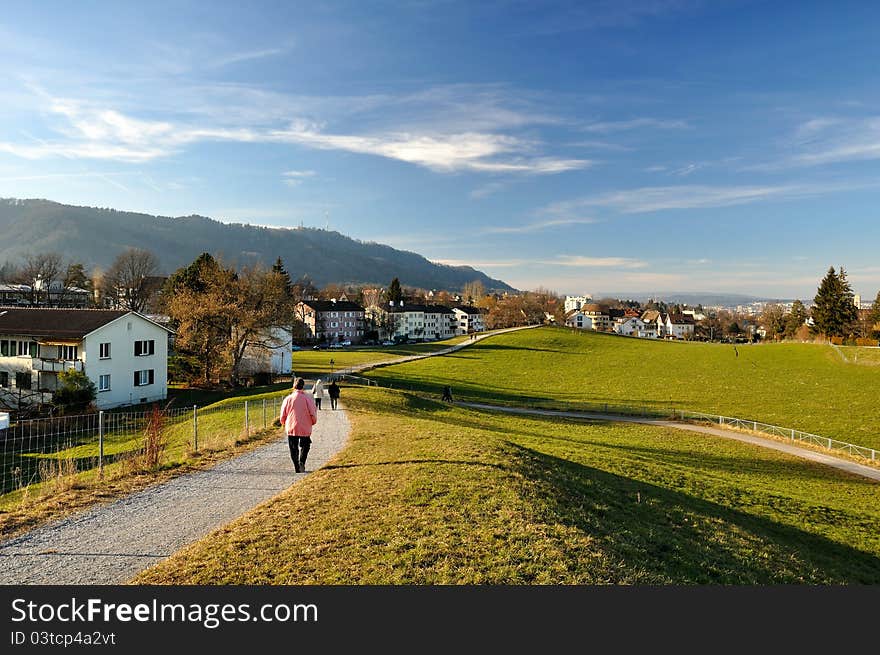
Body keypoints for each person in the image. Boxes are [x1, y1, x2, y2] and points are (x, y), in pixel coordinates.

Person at [279, 377, 318, 473]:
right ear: (303, 386)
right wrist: (313, 421)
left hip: (292, 426)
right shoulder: (307, 399)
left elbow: (283, 414)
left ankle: (296, 465)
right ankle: (302, 462)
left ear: (294, 386)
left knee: (293, 447)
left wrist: (283, 422)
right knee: (306, 445)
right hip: (305, 426)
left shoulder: (288, 399)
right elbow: (313, 412)